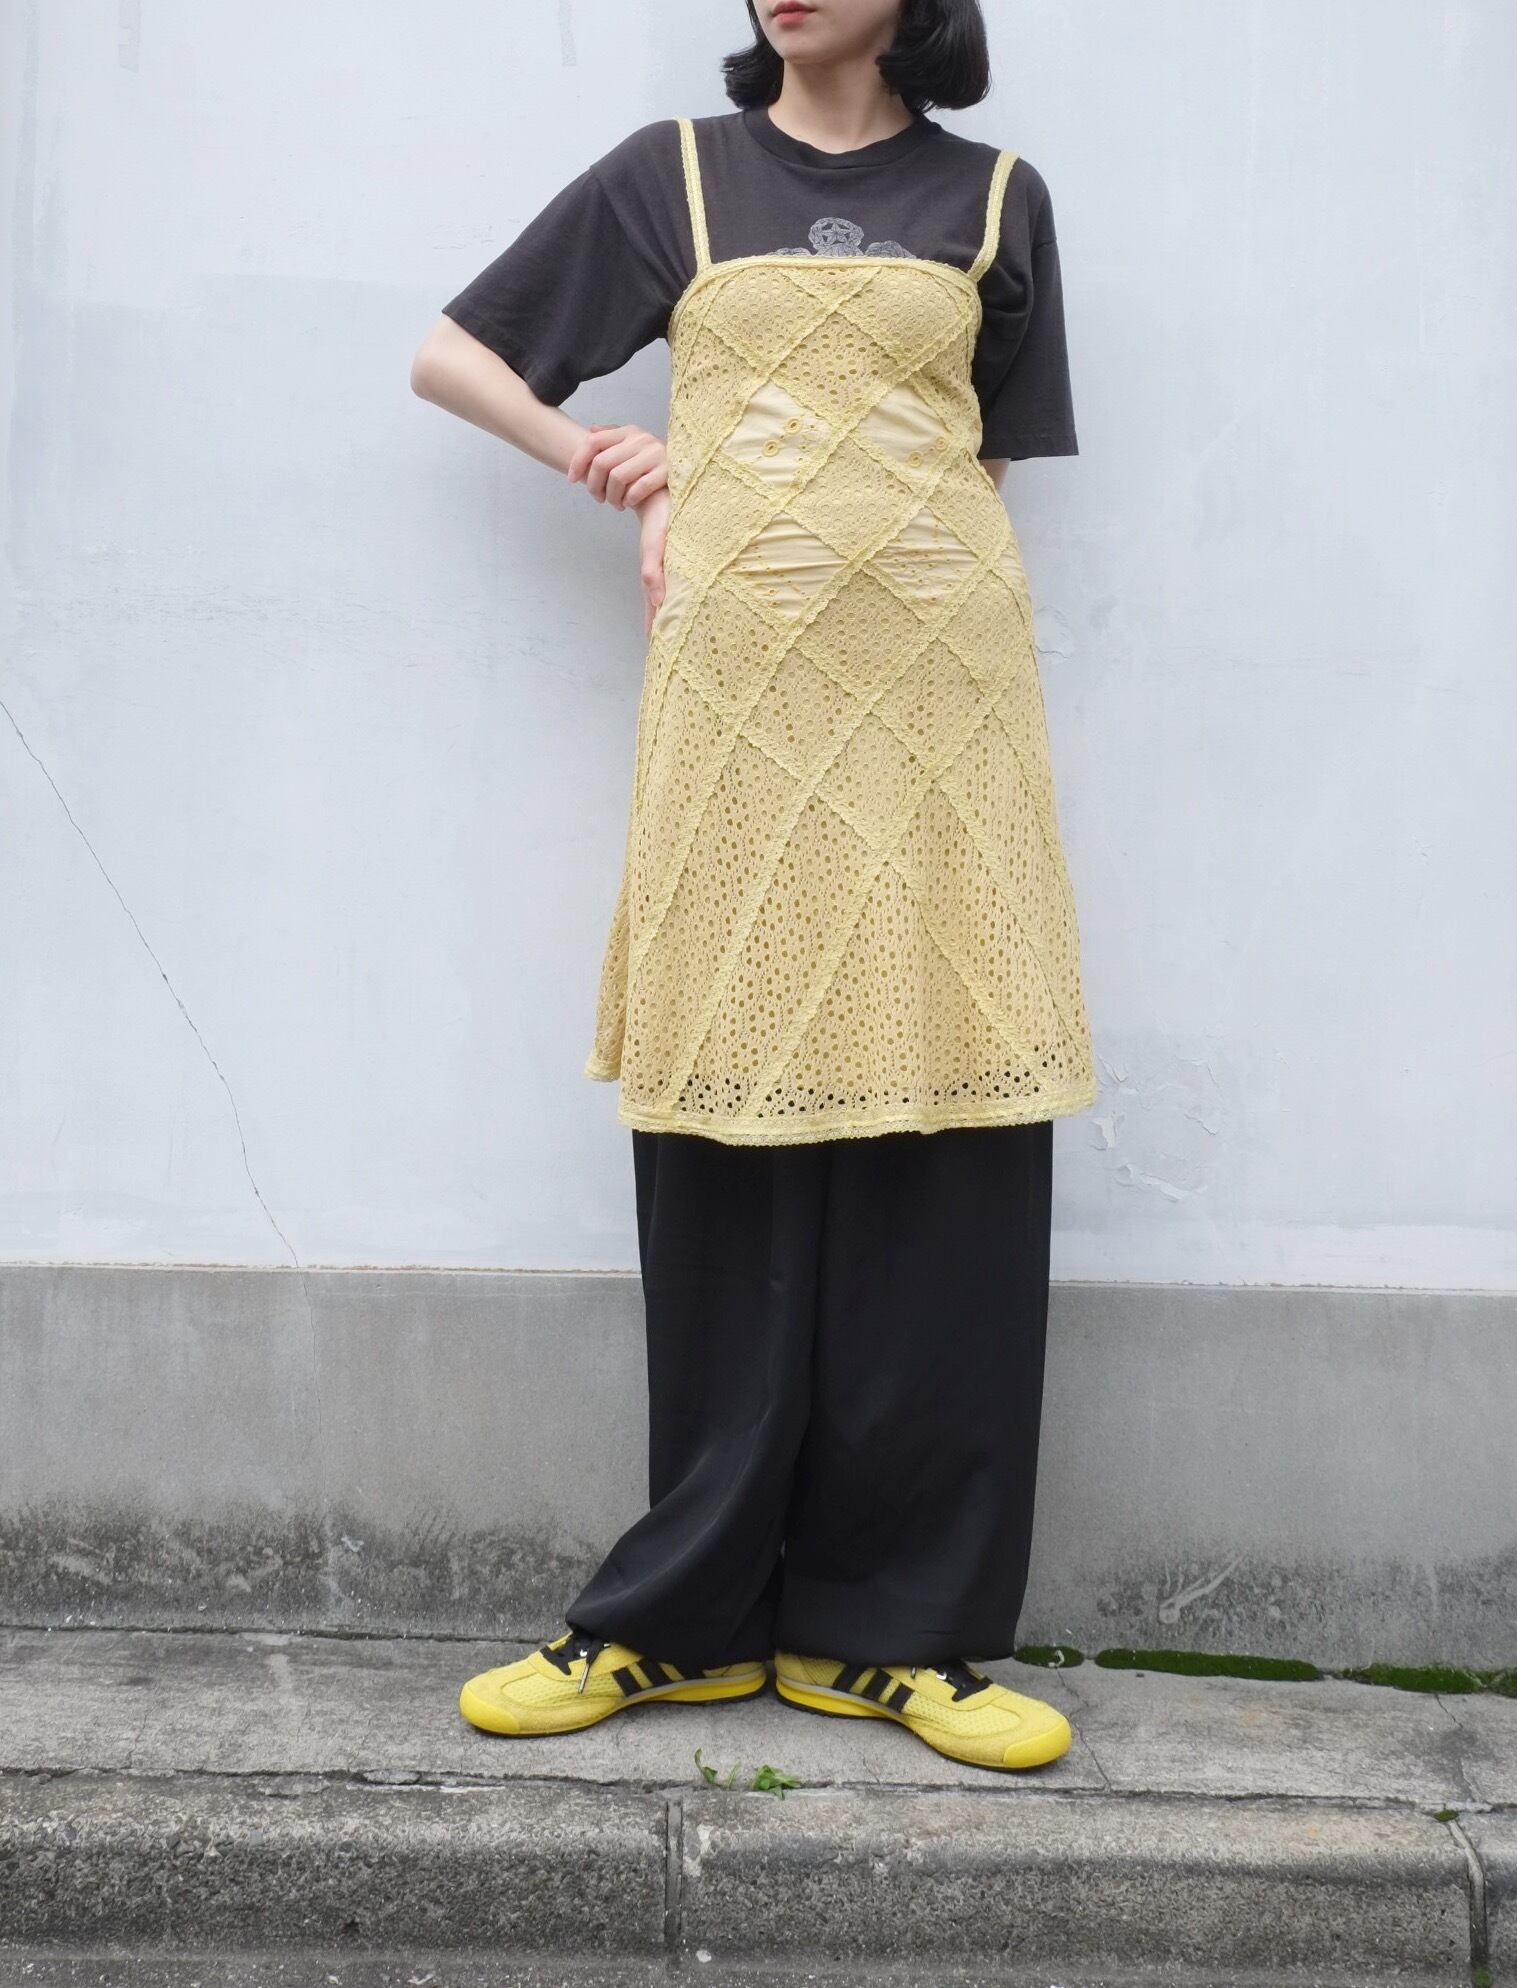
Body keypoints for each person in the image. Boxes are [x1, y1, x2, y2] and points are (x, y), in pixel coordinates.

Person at [409, 0, 1097, 1775]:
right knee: (726, 1113)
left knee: (950, 1118)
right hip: (738, 708)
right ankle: (686, 1624)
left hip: (943, 705)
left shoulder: (998, 196)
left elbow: (976, 462)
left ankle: (899, 1640)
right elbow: (453, 354)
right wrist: (611, 460)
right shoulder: (675, 179)